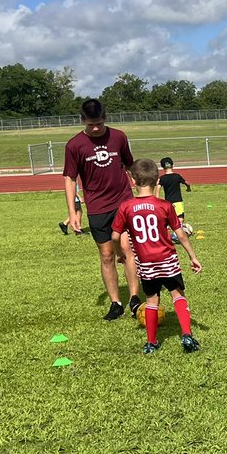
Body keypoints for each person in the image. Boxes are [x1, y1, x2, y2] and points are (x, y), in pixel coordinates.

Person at [111, 159, 202, 354]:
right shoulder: (165, 206)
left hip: (145, 264)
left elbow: (114, 236)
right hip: (167, 260)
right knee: (177, 294)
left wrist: (120, 254)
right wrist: (193, 257)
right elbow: (181, 234)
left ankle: (151, 343)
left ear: (132, 181)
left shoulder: (126, 207)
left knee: (152, 301)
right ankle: (187, 335)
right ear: (156, 181)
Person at [62, 98, 140, 321]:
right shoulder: (74, 145)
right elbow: (70, 178)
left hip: (122, 202)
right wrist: (71, 212)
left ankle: (134, 298)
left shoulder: (119, 137)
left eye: (98, 123)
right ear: (82, 121)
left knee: (126, 249)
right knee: (106, 255)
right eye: (90, 124)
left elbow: (128, 163)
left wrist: (137, 181)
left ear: (105, 118)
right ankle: (116, 304)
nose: (95, 128)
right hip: (97, 207)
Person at [156, 157, 192, 227]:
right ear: (173, 165)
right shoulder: (177, 176)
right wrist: (188, 188)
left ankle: (167, 230)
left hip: (168, 202)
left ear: (162, 167)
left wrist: (157, 199)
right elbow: (187, 183)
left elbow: (158, 187)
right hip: (178, 201)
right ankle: (178, 232)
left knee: (169, 218)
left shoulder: (162, 178)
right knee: (180, 217)